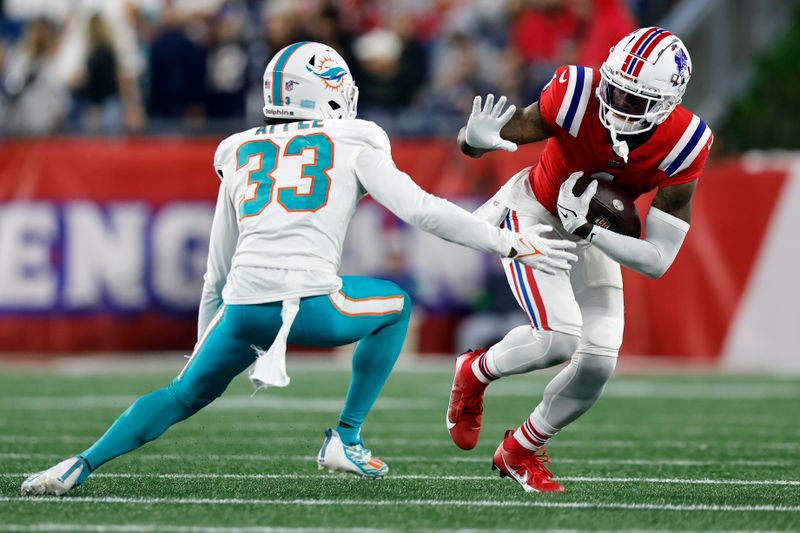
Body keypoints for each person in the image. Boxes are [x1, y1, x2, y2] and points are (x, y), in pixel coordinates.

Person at [20, 41, 577, 497]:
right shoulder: (354, 138)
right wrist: (509, 243)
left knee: (181, 395)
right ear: (330, 93)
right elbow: (421, 210)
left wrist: (204, 338)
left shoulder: (236, 150)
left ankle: (79, 465)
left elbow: (217, 270)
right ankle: (347, 438)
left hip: (243, 307)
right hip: (312, 305)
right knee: (395, 307)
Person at [446, 27, 713, 493]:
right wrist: (472, 139)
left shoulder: (685, 141)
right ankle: (475, 370)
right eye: (614, 89)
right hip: (532, 212)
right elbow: (490, 139)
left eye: (634, 100)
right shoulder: (576, 92)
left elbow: (658, 260)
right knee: (559, 339)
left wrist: (591, 230)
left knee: (598, 362)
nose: (615, 104)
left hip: (592, 234)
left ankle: (521, 450)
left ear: (667, 103)